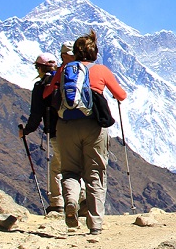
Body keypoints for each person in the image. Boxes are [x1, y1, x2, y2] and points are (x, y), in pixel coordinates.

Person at [45, 31, 127, 235]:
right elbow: (121, 95)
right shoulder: (101, 70)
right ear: (94, 53)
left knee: (70, 171)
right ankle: (95, 224)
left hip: (65, 125)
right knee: (95, 174)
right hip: (93, 127)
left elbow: (47, 93)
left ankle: (71, 201)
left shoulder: (64, 70)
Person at [20, 52, 63, 215]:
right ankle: (76, 200)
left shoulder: (41, 86)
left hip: (55, 130)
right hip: (76, 128)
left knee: (60, 166)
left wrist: (26, 131)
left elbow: (36, 114)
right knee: (68, 164)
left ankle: (62, 202)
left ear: (40, 67)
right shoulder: (65, 80)